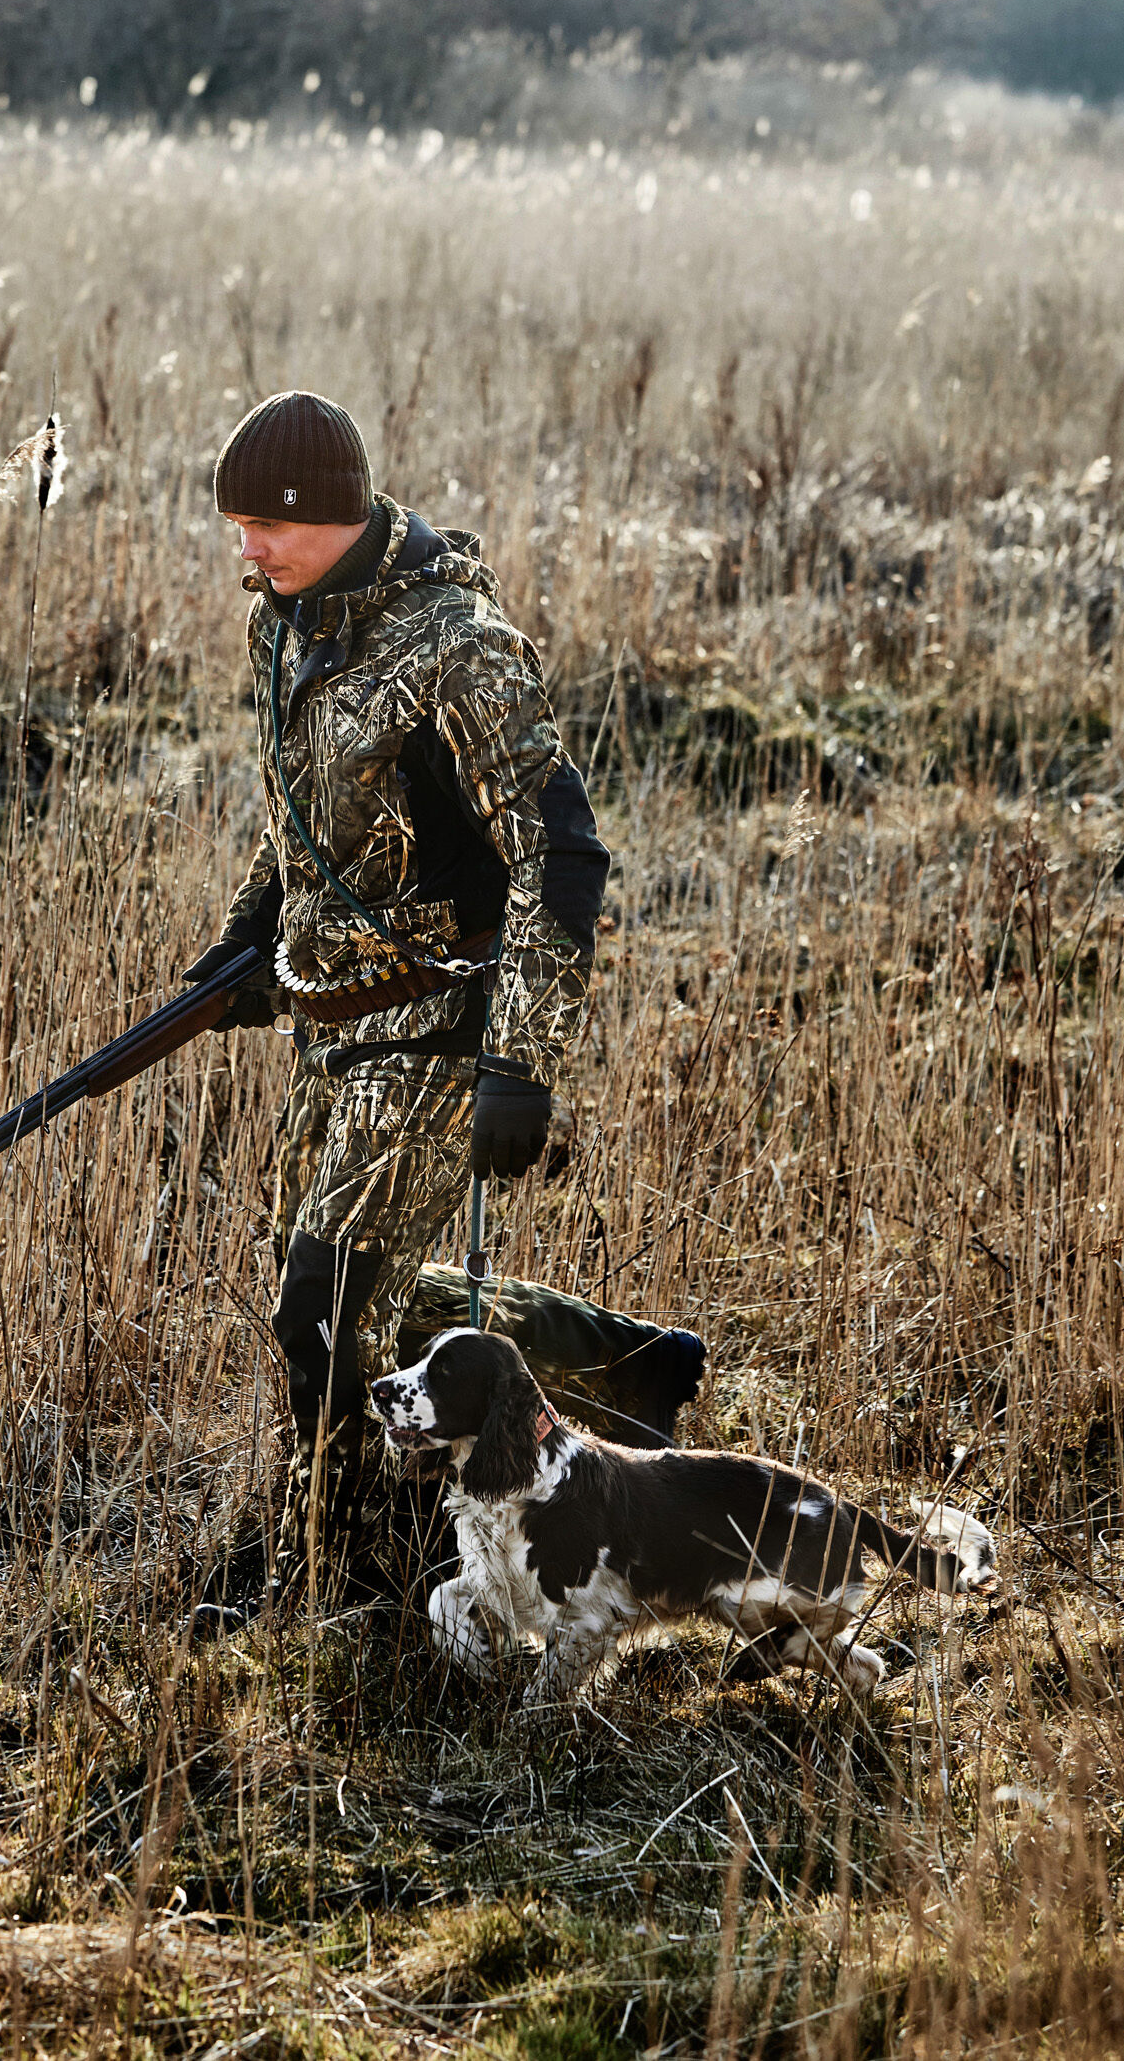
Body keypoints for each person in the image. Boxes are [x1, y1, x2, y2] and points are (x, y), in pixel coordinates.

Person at [185, 390, 702, 1612]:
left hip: (443, 1014)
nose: (245, 549)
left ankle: (336, 1570)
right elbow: (303, 820)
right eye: (235, 526)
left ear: (335, 514)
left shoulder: (453, 644)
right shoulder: (288, 623)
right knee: (347, 1282)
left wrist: (519, 1061)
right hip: (339, 1008)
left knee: (320, 1313)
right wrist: (245, 939)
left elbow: (558, 852)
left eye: (267, 524)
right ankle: (627, 1362)